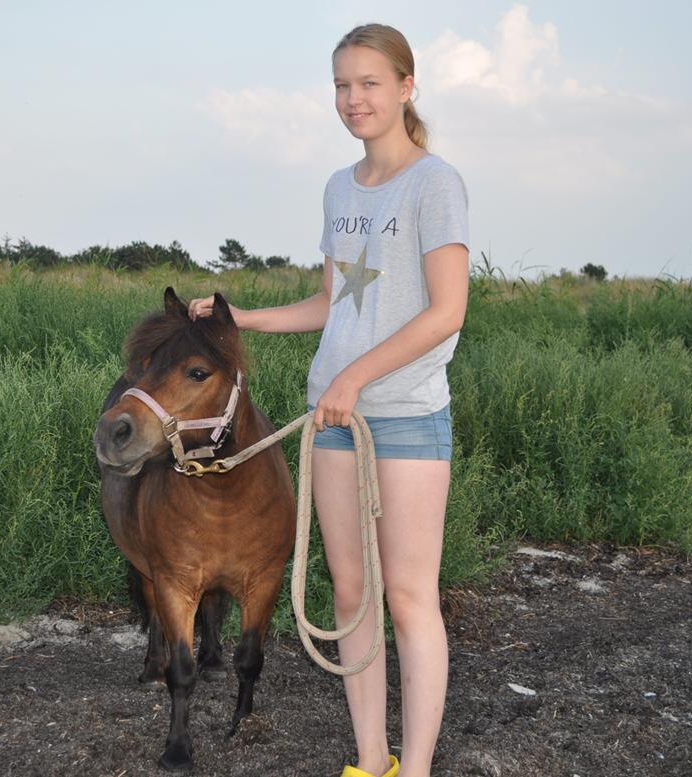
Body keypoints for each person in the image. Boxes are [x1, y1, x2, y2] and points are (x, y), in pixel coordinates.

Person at [190, 22, 469, 777]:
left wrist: (358, 377)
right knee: (352, 593)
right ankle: (370, 762)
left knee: (409, 597)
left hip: (405, 416)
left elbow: (447, 311)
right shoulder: (339, 187)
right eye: (343, 84)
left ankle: (415, 772)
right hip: (334, 420)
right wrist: (243, 318)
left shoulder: (434, 183)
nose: (354, 99)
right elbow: (332, 300)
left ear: (406, 87)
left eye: (370, 83)